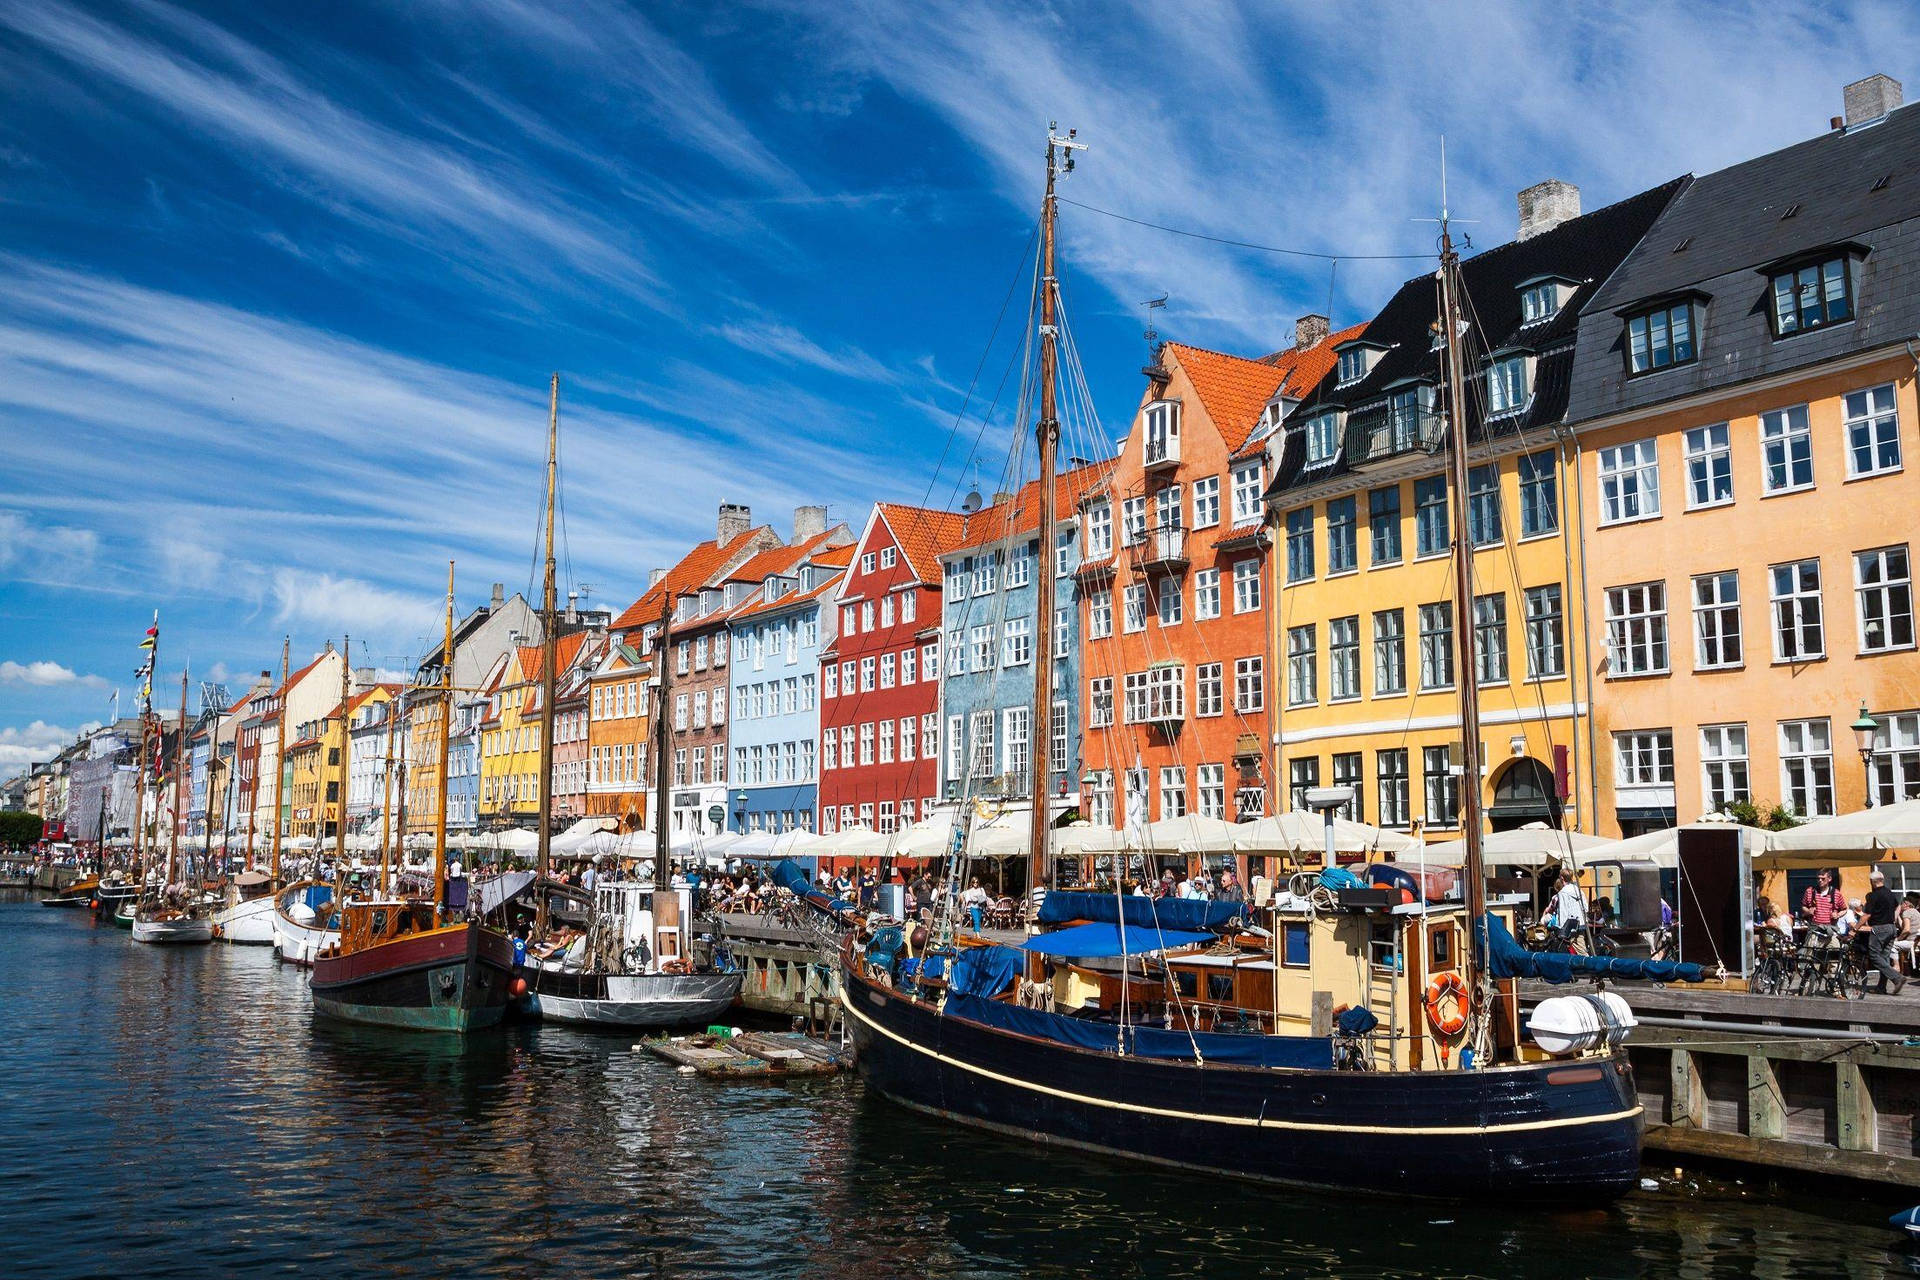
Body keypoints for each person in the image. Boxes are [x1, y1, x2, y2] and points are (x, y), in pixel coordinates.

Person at [1865, 869, 1907, 995]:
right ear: (1882, 880)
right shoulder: (1889, 893)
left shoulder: (1873, 895)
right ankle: (1881, 987)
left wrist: (1855, 928)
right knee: (1884, 958)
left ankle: (1897, 977)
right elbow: (1898, 905)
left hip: (1879, 929)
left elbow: (1867, 915)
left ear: (1872, 882)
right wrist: (1893, 917)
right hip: (1891, 928)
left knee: (1874, 956)